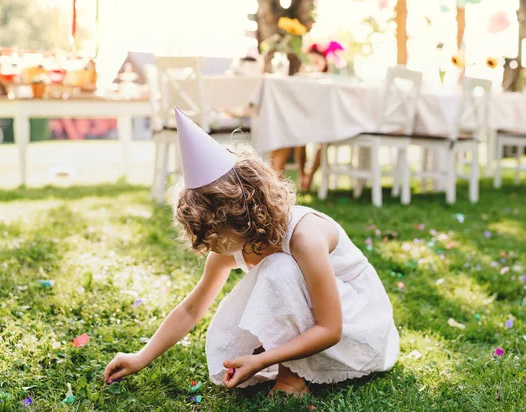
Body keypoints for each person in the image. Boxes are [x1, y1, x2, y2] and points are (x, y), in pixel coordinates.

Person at [104, 108, 399, 397]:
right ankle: (279, 358)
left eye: (216, 235)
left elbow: (330, 328)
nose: (213, 245)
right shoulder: (230, 243)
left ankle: (291, 377)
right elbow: (192, 309)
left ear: (241, 218)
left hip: (354, 323)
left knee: (279, 268)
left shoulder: (305, 237)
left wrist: (261, 359)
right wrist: (141, 356)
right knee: (231, 345)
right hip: (317, 317)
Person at [271, 43, 328, 191]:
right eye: (310, 62)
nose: (313, 66)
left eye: (317, 62)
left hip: (323, 121)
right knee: (297, 136)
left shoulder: (327, 83)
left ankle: (308, 176)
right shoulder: (297, 82)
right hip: (300, 121)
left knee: (322, 139)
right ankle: (301, 175)